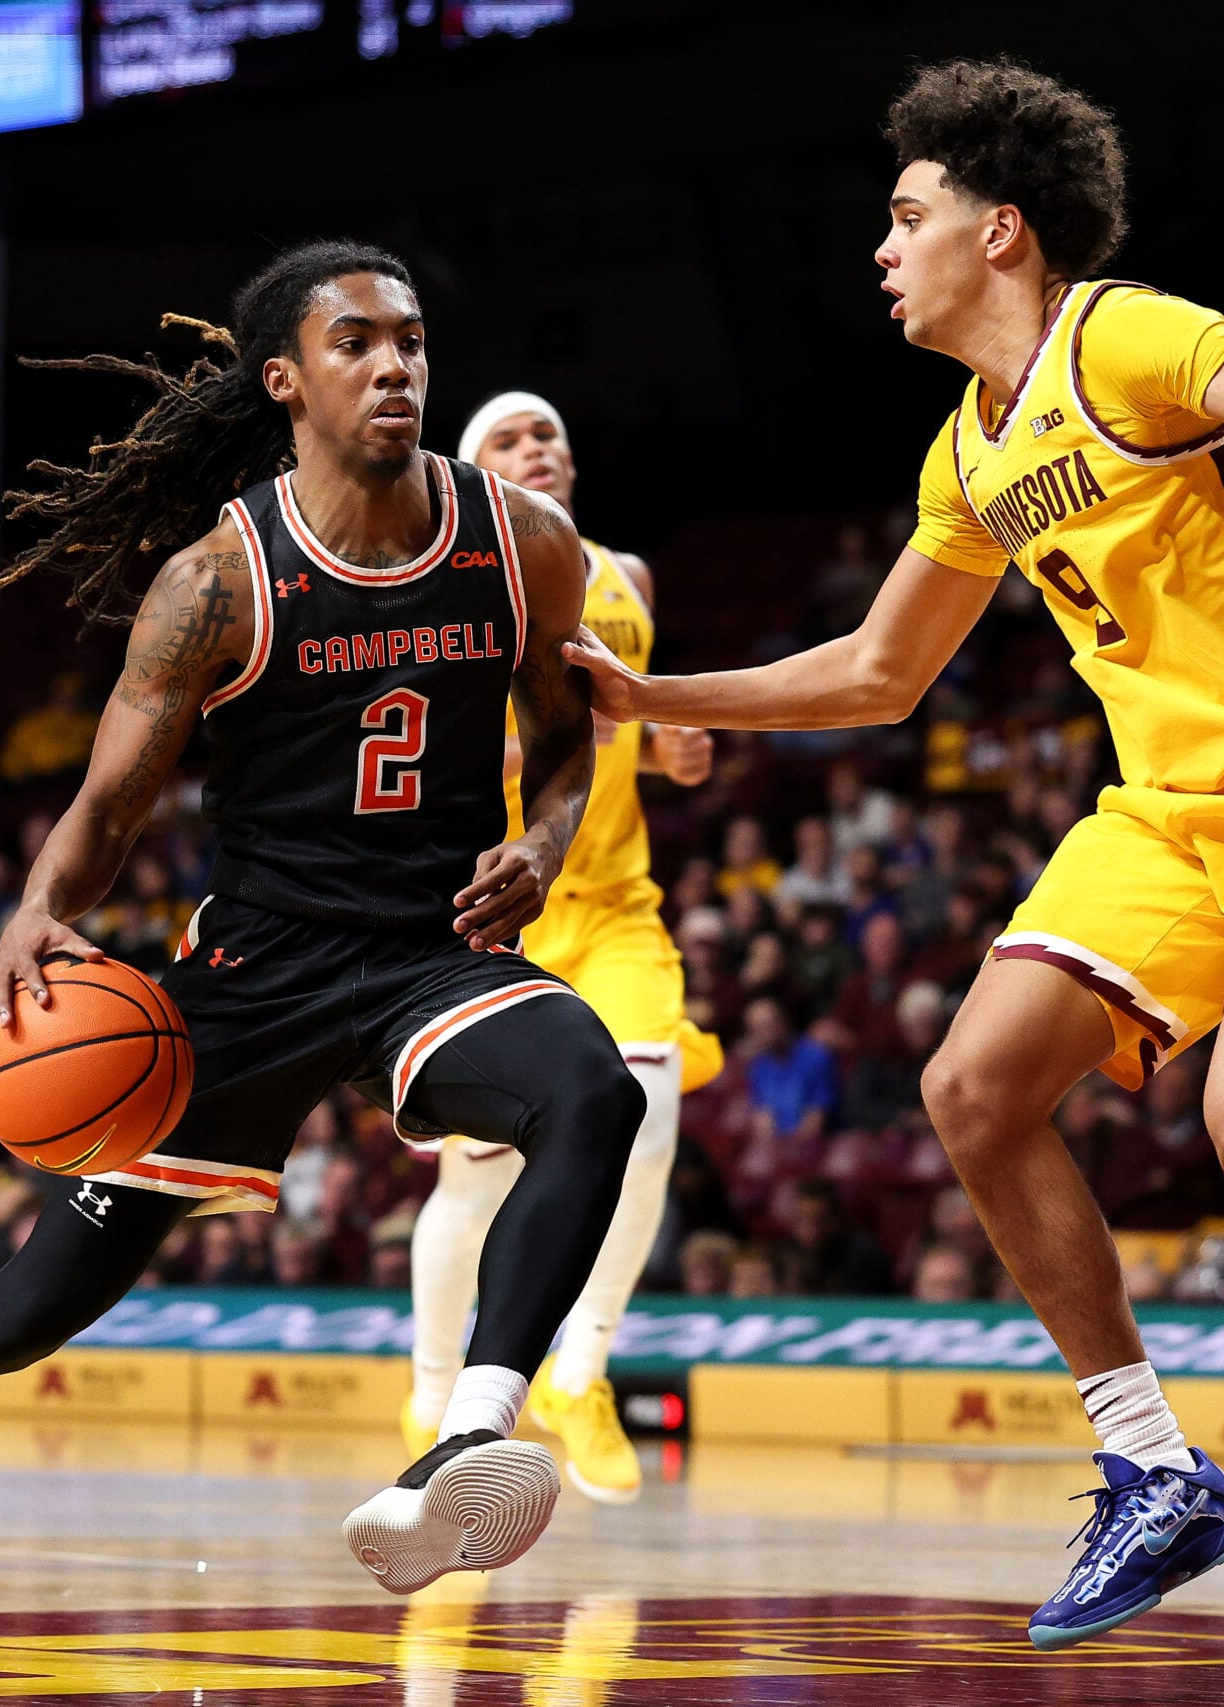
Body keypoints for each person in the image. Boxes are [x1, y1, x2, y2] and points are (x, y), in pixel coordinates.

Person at [567, 61, 1224, 1655]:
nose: (882, 244)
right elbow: (878, 674)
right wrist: (643, 693)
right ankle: (1157, 1468)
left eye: (907, 214)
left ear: (1001, 233)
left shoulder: (1126, 338)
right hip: (1158, 814)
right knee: (970, 1085)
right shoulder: (967, 452)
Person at [0, 239, 644, 1657]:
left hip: (429, 956)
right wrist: (35, 910)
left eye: (411, 340)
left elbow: (568, 736)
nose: (394, 366)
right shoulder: (221, 577)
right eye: (356, 345)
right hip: (254, 974)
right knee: (33, 1300)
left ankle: (467, 1438)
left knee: (594, 1083)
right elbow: (105, 808)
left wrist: (546, 841)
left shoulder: (521, 540)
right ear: (286, 379)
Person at [403, 391, 721, 1504]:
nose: (541, 444)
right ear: (473, 470)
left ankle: (579, 1368)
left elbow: (640, 733)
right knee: (476, 1175)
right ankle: (433, 1382)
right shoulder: (448, 585)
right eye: (512, 437)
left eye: (554, 433)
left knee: (647, 1106)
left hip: (617, 900)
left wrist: (675, 749)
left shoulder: (625, 572)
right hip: (497, 902)